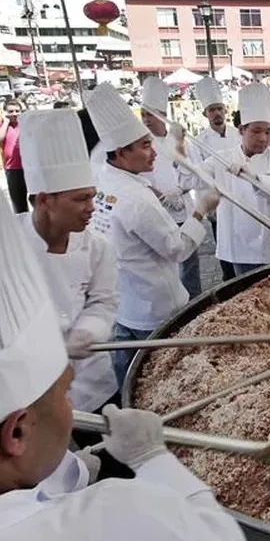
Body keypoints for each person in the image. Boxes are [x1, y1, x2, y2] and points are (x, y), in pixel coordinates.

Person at [0, 175, 248, 541]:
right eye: (62, 393)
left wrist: (62, 477)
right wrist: (152, 459)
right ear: (17, 431)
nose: (91, 207)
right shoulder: (111, 521)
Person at [87, 83, 216, 385]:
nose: (152, 153)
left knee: (129, 373)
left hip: (125, 302)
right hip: (156, 307)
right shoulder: (136, 199)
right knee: (162, 379)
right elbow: (177, 249)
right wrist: (202, 210)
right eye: (145, 146)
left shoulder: (104, 180)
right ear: (120, 152)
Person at [16, 108, 119, 422]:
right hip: (35, 390)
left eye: (92, 197)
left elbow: (104, 301)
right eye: (80, 199)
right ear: (45, 199)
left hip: (94, 383)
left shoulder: (97, 246)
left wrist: (88, 332)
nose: (91, 208)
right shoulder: (6, 246)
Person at [197, 83, 270, 277]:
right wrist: (177, 148)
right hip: (241, 250)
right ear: (242, 130)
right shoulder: (222, 158)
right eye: (256, 131)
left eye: (268, 132)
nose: (263, 138)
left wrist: (256, 177)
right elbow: (194, 176)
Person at [139, 76, 201, 299]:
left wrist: (180, 192)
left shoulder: (179, 140)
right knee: (167, 267)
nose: (146, 120)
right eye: (143, 114)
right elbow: (139, 180)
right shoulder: (141, 146)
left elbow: (195, 175)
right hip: (157, 214)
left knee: (190, 266)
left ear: (163, 116)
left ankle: (195, 303)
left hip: (184, 211)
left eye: (151, 114)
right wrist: (163, 196)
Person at [188, 75, 239, 282]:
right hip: (219, 208)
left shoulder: (239, 134)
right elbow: (199, 177)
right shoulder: (198, 143)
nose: (217, 113)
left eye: (219, 108)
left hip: (243, 202)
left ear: (225, 110)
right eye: (212, 110)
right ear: (205, 114)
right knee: (226, 254)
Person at [0, 98, 27, 213]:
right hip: (13, 169)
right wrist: (5, 123)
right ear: (5, 112)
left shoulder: (26, 123)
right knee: (19, 204)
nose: (14, 114)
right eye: (10, 111)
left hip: (29, 166)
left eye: (17, 111)